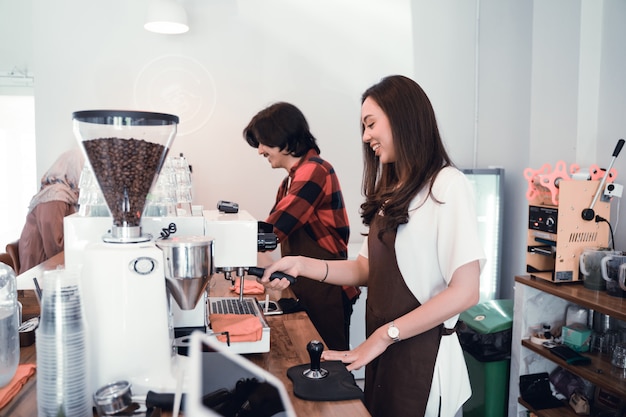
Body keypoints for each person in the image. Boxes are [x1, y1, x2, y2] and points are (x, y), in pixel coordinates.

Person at [258, 76, 486, 417]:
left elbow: (465, 292)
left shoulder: (448, 186)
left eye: (370, 124)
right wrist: (300, 264)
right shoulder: (393, 193)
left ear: (403, 117)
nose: (366, 137)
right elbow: (364, 270)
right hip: (385, 349)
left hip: (422, 354)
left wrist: (384, 335)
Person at [243, 101, 359, 351]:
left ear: (283, 137)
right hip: (308, 287)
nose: (260, 150)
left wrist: (224, 240)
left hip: (327, 290)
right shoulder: (289, 182)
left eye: (263, 142)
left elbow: (271, 233)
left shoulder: (315, 170)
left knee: (332, 370)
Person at [17, 148, 84, 273]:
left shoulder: (66, 195)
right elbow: (55, 248)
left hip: (50, 269)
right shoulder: (54, 198)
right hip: (36, 276)